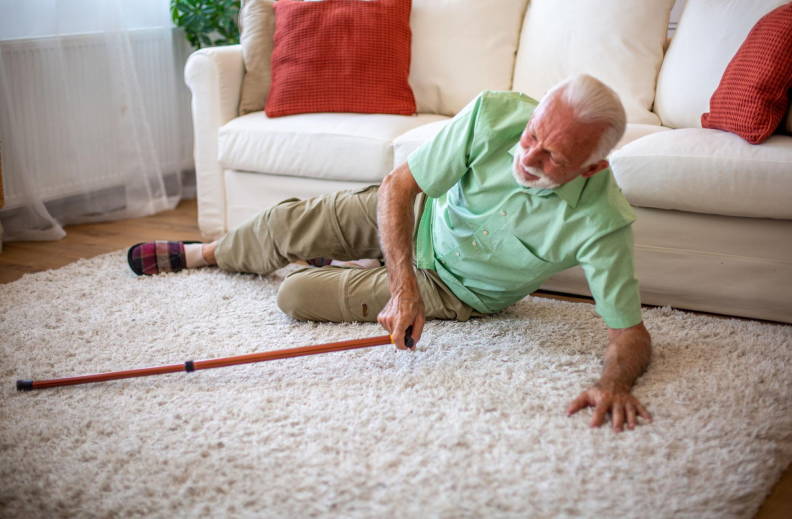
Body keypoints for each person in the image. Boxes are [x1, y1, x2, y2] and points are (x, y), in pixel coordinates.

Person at [128, 75, 653, 432]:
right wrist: (402, 288)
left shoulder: (603, 223)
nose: (527, 157)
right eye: (532, 134)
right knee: (286, 224)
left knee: (295, 293)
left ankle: (344, 266)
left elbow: (629, 335)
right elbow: (399, 187)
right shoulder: (496, 114)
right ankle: (207, 254)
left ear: (591, 169)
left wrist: (612, 384)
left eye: (552, 156)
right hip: (418, 214)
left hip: (455, 289)